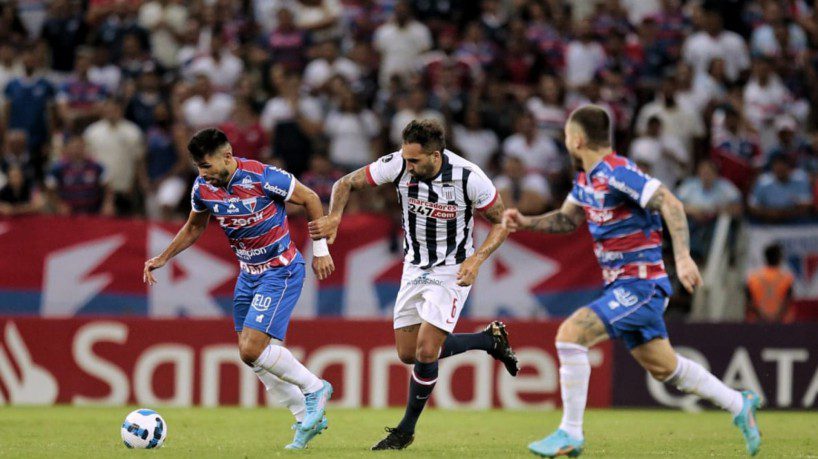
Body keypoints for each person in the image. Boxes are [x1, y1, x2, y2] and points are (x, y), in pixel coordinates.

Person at [502, 105, 761, 457]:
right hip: (621, 287)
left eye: (566, 136)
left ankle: (570, 433)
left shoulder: (617, 172)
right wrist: (526, 222)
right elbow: (566, 221)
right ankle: (738, 403)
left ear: (577, 139)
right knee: (665, 368)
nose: (564, 142)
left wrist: (683, 258)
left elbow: (670, 202)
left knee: (571, 334)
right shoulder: (585, 179)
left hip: (641, 285)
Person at [309, 119, 519, 450]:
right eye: (405, 159)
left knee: (425, 348)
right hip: (414, 267)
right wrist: (335, 215)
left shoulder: (469, 177)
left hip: (452, 269)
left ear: (436, 156)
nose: (407, 166)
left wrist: (476, 260)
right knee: (409, 353)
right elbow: (344, 183)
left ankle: (405, 430)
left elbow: (502, 223)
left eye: (414, 161)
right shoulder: (398, 164)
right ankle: (488, 341)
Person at [142, 128, 334, 450]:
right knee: (250, 355)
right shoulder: (203, 188)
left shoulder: (263, 177)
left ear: (227, 156)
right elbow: (195, 226)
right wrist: (164, 257)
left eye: (206, 166)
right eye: (198, 168)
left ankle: (315, 389)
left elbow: (311, 199)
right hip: (248, 275)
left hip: (281, 269)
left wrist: (321, 251)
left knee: (251, 349)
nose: (203, 174)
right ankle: (304, 417)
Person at [745, 244, 794, 323]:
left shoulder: (753, 278)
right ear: (779, 258)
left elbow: (748, 301)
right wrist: (776, 316)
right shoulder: (786, 278)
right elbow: (788, 300)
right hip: (781, 323)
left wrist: (763, 316)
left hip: (757, 323)